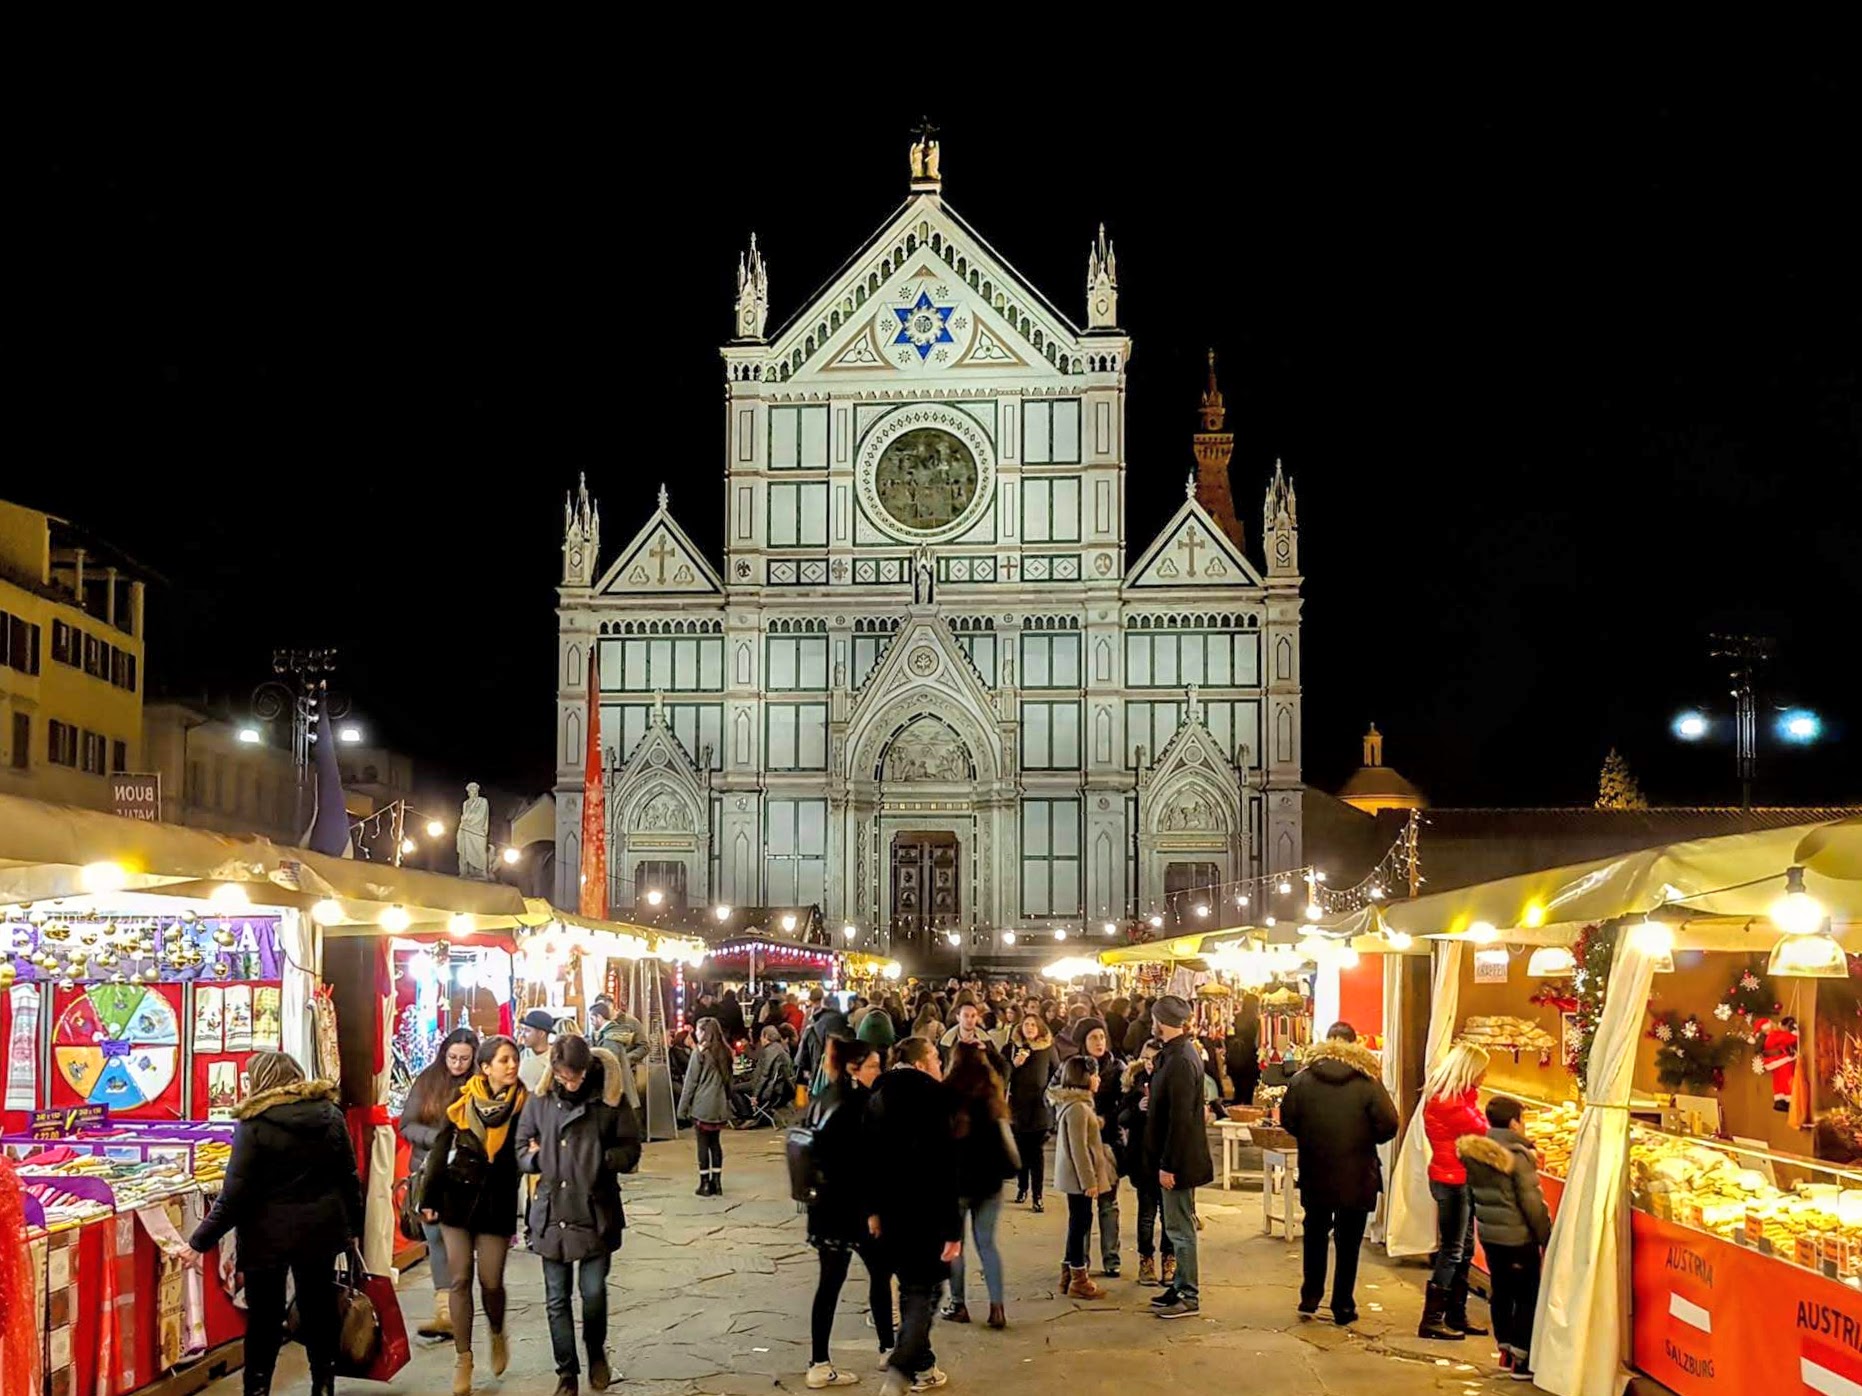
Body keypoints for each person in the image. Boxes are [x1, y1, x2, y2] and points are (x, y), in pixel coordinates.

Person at [187, 1051, 362, 1396]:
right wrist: (353, 1229)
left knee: (264, 1319)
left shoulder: (254, 1124)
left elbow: (234, 1195)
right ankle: (323, 1385)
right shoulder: (331, 1115)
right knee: (319, 1309)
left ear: (261, 1081)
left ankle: (258, 1389)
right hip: (321, 1231)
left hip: (266, 1237)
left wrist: (197, 1242)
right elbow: (348, 1178)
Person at [517, 1035, 642, 1396]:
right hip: (551, 1211)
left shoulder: (609, 1100)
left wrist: (601, 1160)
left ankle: (595, 1352)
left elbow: (631, 1150)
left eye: (575, 1076)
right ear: (553, 1072)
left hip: (594, 1211)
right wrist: (537, 1159)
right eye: (562, 1077)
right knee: (556, 1298)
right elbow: (521, 1147)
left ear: (586, 1069)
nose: (569, 1083)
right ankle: (567, 1373)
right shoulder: (540, 1101)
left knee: (593, 1293)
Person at [419, 1034, 529, 1395]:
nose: (511, 1065)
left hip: (497, 1202)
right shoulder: (462, 1101)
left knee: (491, 1280)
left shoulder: (526, 1106)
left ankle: (497, 1331)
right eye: (503, 1060)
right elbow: (439, 1150)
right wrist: (428, 1197)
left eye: (513, 1059)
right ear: (485, 1068)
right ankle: (463, 1359)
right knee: (461, 1278)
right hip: (457, 1198)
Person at [1278, 1021, 1399, 1326]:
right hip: (1357, 1173)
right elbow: (1389, 1124)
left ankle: (1310, 1296)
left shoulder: (1303, 1079)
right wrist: (1365, 1138)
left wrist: (1311, 1137)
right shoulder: (1368, 1081)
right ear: (1354, 1045)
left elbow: (1288, 1119)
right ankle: (1343, 1304)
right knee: (1349, 1241)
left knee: (1315, 1233)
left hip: (1315, 1169)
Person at [865, 1037, 962, 1395]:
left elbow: (869, 1158)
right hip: (928, 1212)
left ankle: (922, 1365)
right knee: (926, 1292)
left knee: (909, 1288)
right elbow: (945, 1166)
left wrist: (873, 1209)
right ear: (920, 1064)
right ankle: (902, 1366)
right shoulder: (934, 1099)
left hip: (891, 1210)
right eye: (936, 1057)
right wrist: (953, 1228)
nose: (940, 1064)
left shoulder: (878, 1096)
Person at [802, 1036, 885, 1389]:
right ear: (854, 1069)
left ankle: (820, 1362)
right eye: (873, 1066)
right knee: (881, 1273)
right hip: (852, 1209)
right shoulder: (859, 1104)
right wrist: (873, 1210)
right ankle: (889, 1349)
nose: (878, 1073)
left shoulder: (822, 1098)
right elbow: (862, 1164)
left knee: (831, 1284)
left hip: (824, 1208)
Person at [1457, 1095, 1551, 1379]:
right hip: (1518, 1238)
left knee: (1502, 1290)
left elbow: (1472, 1197)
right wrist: (1546, 1235)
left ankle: (1506, 1348)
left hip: (1490, 1237)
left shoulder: (1475, 1152)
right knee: (1526, 1295)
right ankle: (1521, 1360)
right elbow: (1532, 1203)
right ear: (1514, 1122)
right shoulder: (1518, 1156)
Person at [400, 1028, 479, 1339]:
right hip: (428, 1172)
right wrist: (438, 1139)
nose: (457, 1064)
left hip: (465, 1176)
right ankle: (444, 1310)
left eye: (463, 1059)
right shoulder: (428, 1080)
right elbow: (407, 1124)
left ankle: (459, 1307)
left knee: (460, 1244)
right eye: (452, 1057)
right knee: (435, 1240)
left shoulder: (479, 1086)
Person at [1419, 1042, 1492, 1341]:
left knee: (1462, 1249)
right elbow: (1484, 1131)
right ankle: (1432, 1319)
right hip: (1454, 1180)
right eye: (1483, 1071)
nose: (1486, 1076)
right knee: (1452, 1250)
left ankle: (1455, 1314)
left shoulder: (1450, 1097)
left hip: (1454, 1176)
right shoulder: (1452, 1104)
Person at [1145, 995, 1213, 1319]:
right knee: (1174, 1225)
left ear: (1162, 1021)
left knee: (1180, 1229)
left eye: (1154, 1018)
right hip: (1173, 1156)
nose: (1151, 1024)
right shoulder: (1174, 1055)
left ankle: (1189, 1295)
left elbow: (1181, 1118)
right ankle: (1179, 1287)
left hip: (1179, 1160)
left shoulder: (1182, 1060)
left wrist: (1168, 1165)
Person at [942, 1042, 1016, 1328]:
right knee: (987, 1244)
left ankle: (958, 1304)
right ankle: (997, 1308)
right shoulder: (992, 1096)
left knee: (954, 1245)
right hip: (990, 1182)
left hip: (956, 1183)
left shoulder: (946, 1096)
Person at [1050, 1054, 1116, 1300]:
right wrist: (1089, 1182)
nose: (1098, 1079)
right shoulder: (1078, 1107)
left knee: (1077, 1223)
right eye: (1095, 1074)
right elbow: (1079, 1149)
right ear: (1085, 1077)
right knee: (1080, 1224)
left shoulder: (1079, 1105)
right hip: (1078, 1179)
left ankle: (1068, 1273)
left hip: (1074, 1177)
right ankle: (1079, 1278)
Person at [1117, 1041, 1176, 1287]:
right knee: (1147, 1215)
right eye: (1147, 1059)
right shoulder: (1135, 1083)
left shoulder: (1170, 1083)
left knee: (1169, 1216)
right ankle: (1146, 1260)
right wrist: (1137, 1109)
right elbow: (1122, 1117)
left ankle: (1168, 1261)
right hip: (1143, 1161)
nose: (1150, 1064)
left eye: (1155, 1059)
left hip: (1166, 1158)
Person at [1074, 1020, 1125, 1278]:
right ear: (1083, 1041)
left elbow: (1126, 1101)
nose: (1099, 1042)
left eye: (1102, 1037)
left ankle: (1111, 1259)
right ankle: (1078, 1260)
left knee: (1108, 1204)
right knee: (1082, 1206)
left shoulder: (1117, 1068)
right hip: (1081, 1145)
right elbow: (1054, 1095)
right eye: (1093, 1037)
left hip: (1106, 1143)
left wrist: (1107, 1118)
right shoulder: (1074, 1067)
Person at [1006, 1012, 1057, 1212]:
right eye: (1026, 1024)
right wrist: (1015, 1065)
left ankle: (1037, 1195)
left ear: (1040, 1029)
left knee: (1036, 1154)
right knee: (1021, 1151)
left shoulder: (1047, 1049)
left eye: (1033, 1025)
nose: (1029, 1028)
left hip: (1039, 1108)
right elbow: (1002, 1074)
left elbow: (1056, 1071)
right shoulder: (1012, 1048)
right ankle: (1022, 1187)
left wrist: (1050, 1094)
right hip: (1018, 1107)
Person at [678, 1016, 735, 1195]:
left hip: (702, 1105)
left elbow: (690, 1083)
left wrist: (682, 1108)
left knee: (702, 1144)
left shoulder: (700, 1053)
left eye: (697, 1029)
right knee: (715, 1143)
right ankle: (717, 1183)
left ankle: (704, 1184)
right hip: (719, 1106)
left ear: (704, 1032)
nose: (695, 1032)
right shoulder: (726, 1052)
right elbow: (729, 1082)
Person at [939, 1001, 1007, 1078]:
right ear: (958, 1018)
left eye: (973, 1016)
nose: (969, 1019)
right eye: (966, 1016)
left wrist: (985, 1050)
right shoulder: (946, 1042)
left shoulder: (985, 1039)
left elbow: (1000, 1064)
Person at [1227, 997, 1262, 1106]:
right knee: (1249, 1089)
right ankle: (1247, 1109)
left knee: (1238, 1087)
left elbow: (1228, 1035)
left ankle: (1236, 1108)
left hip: (1235, 1054)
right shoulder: (1257, 1021)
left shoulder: (1236, 1018)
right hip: (1250, 1056)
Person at [519, 1008, 557, 1093]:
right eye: (522, 1030)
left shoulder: (555, 1057)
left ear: (541, 1034)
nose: (522, 1035)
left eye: (527, 1031)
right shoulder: (520, 1054)